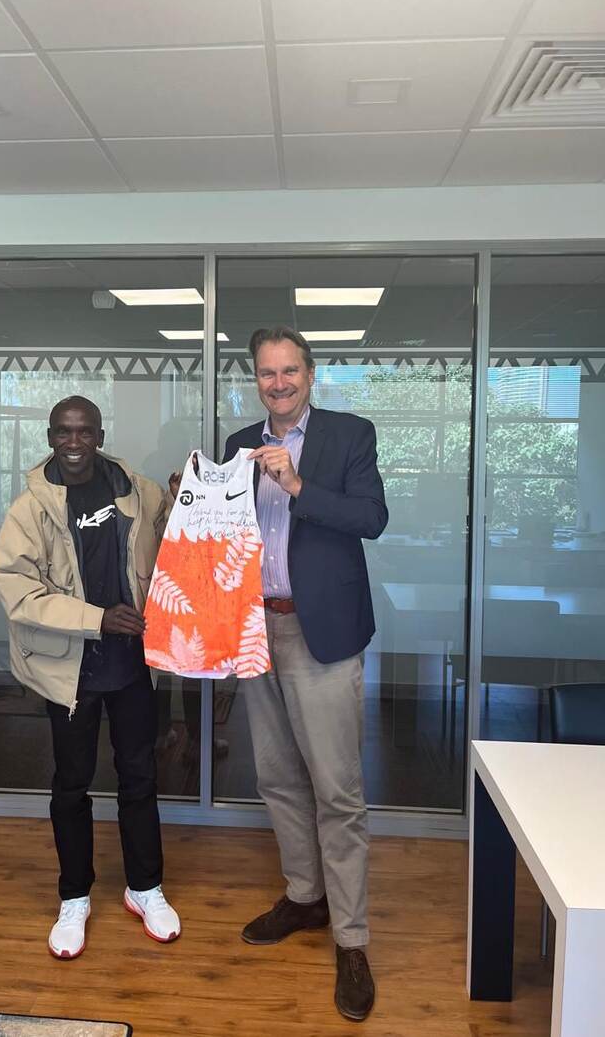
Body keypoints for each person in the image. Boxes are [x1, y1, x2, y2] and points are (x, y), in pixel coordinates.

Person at [223, 327, 388, 1022]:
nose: (279, 383)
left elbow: (371, 518)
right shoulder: (238, 444)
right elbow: (225, 536)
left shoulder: (349, 435)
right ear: (256, 379)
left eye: (290, 370)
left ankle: (351, 939)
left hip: (321, 634)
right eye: (268, 373)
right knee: (277, 777)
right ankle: (304, 896)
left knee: (337, 791)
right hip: (254, 630)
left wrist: (296, 484)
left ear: (310, 375)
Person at [0, 395, 181, 959]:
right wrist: (96, 619)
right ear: (50, 436)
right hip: (69, 670)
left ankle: (144, 887)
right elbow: (18, 590)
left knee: (139, 776)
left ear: (99, 435)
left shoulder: (136, 490)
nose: (73, 443)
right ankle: (74, 897)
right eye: (63, 432)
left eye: (84, 432)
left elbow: (169, 538)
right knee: (71, 785)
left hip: (131, 665)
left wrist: (182, 501)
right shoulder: (31, 507)